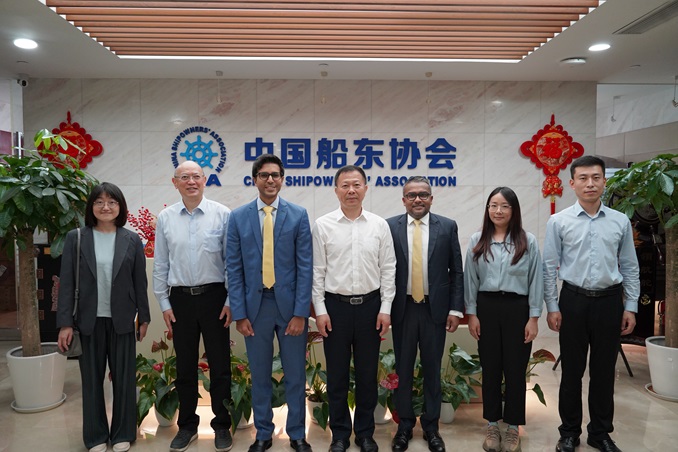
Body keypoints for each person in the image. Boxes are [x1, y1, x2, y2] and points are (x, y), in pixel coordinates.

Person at [544, 155, 640, 452]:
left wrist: (631, 305)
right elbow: (549, 267)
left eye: (596, 178)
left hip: (609, 302)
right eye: (583, 178)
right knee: (571, 372)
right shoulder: (559, 221)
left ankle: (600, 433)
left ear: (604, 182)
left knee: (603, 373)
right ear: (572, 183)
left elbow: (630, 266)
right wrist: (552, 306)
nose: (590, 184)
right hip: (572, 301)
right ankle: (569, 432)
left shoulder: (620, 221)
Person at [227, 154, 313, 452]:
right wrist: (239, 314)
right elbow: (233, 269)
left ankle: (297, 433)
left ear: (282, 179)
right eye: (264, 175)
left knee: (295, 375)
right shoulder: (238, 217)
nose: (270, 180)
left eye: (275, 175)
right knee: (260, 374)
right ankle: (263, 433)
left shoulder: (298, 215)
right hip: (255, 308)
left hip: (290, 309)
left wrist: (301, 312)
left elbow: (305, 267)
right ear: (255, 180)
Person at [57, 182, 150, 452]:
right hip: (88, 321)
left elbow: (139, 282)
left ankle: (123, 433)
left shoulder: (131, 239)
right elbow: (66, 282)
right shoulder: (76, 238)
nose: (105, 207)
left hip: (123, 319)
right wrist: (65, 324)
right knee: (91, 381)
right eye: (99, 202)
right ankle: (95, 436)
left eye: (112, 202)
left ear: (120, 207)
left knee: (124, 379)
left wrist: (144, 318)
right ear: (91, 207)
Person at [312, 165, 396, 452]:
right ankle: (339, 434)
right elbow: (317, 272)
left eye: (356, 185)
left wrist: (385, 308)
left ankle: (365, 433)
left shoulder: (379, 225)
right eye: (345, 185)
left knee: (367, 376)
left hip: (371, 309)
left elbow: (388, 269)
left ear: (365, 189)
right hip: (335, 309)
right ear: (336, 190)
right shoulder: (323, 225)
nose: (351, 190)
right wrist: (320, 310)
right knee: (336, 377)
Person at [153, 160, 233, 452]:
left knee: (220, 366)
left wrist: (230, 300)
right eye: (184, 177)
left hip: (215, 298)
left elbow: (231, 263)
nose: (190, 181)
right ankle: (187, 426)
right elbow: (161, 264)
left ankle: (222, 425)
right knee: (185, 367)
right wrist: (164, 302)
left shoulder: (222, 214)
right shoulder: (166, 218)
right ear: (175, 182)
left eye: (195, 176)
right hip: (180, 300)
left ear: (205, 179)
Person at [386, 176, 463, 452]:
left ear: (431, 198)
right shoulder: (389, 227)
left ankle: (432, 428)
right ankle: (404, 426)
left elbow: (456, 271)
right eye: (411, 195)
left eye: (423, 194)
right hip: (403, 309)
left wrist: (455, 308)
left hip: (435, 310)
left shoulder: (448, 226)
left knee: (432, 370)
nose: (417, 199)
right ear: (403, 200)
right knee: (403, 370)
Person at [464, 186, 544, 452]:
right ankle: (491, 424)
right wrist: (472, 314)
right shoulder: (477, 240)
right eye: (493, 205)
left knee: (515, 369)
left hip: (517, 309)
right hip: (486, 308)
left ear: (514, 210)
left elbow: (536, 279)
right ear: (487, 209)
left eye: (504, 206)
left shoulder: (527, 241)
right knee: (490, 368)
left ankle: (512, 427)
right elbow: (470, 280)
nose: (498, 211)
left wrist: (533, 318)